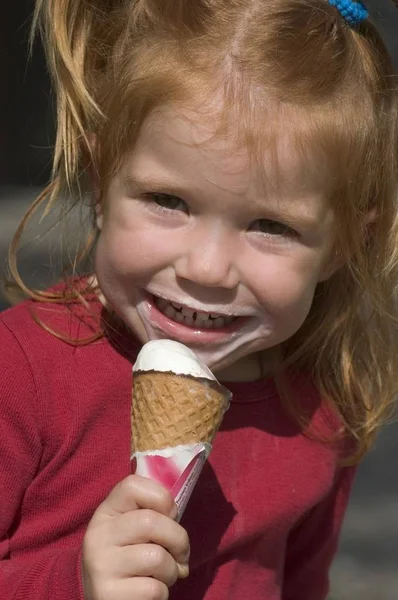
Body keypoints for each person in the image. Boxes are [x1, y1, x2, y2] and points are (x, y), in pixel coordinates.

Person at [1, 0, 398, 598]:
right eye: (169, 200)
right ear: (100, 175)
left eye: (272, 226)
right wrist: (73, 585)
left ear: (343, 245)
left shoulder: (320, 413)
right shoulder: (20, 374)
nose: (207, 269)